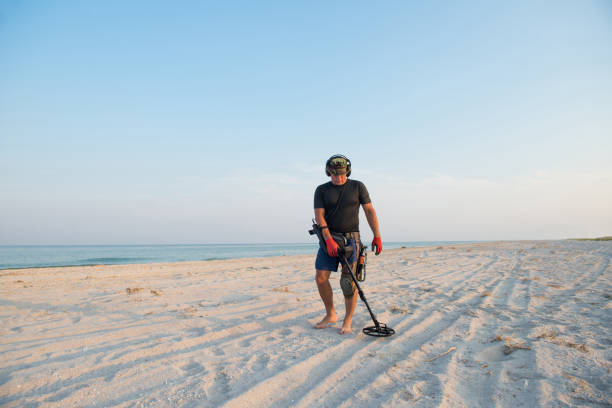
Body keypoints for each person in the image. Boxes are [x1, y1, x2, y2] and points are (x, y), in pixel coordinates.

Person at [313, 154, 382, 334]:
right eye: (335, 174)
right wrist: (328, 239)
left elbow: (369, 210)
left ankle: (348, 320)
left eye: (342, 174)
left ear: (348, 171)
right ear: (328, 172)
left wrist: (377, 236)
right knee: (321, 277)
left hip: (352, 239)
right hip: (328, 238)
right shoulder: (321, 190)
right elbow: (319, 215)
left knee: (348, 282)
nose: (339, 177)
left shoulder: (358, 186)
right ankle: (330, 314)